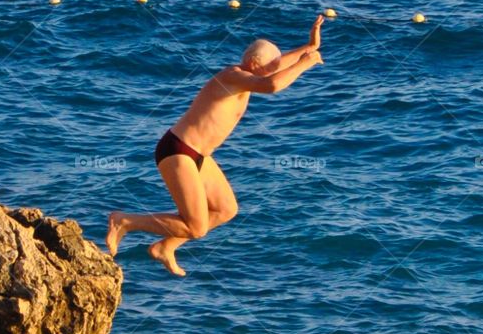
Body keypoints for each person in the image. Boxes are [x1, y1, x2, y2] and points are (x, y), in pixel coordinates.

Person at [106, 14, 325, 276]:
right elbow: (272, 84)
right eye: (270, 66)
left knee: (226, 209)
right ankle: (125, 221)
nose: (275, 69)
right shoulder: (233, 76)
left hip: (198, 155)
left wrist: (308, 47)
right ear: (254, 64)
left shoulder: (250, 75)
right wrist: (306, 64)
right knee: (196, 227)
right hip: (178, 150)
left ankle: (166, 247)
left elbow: (275, 70)